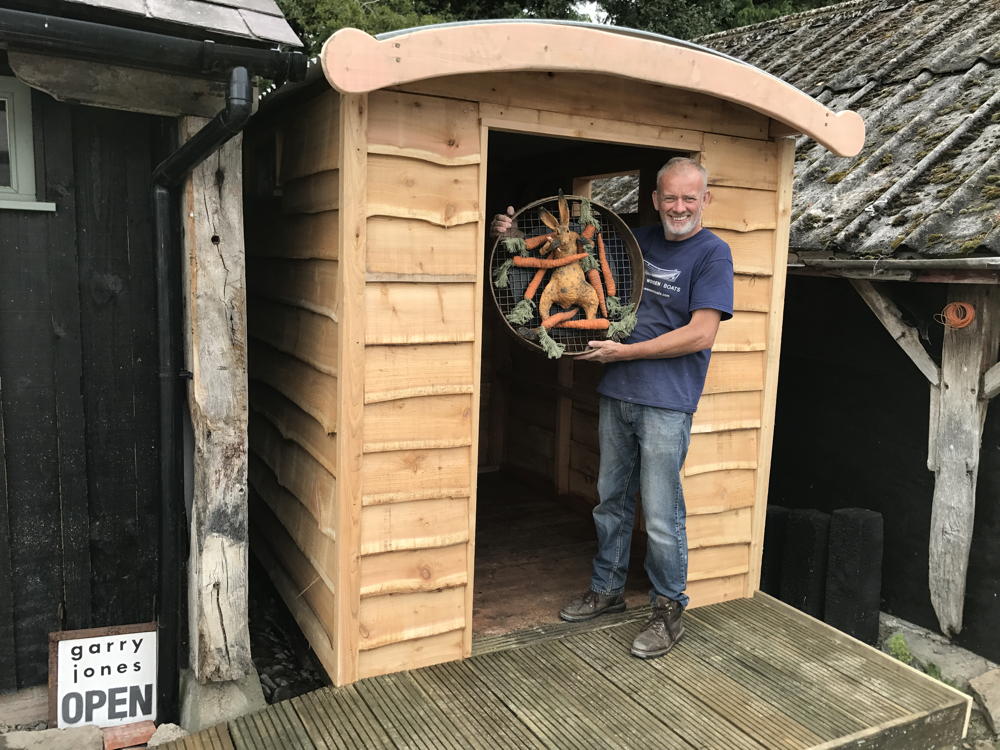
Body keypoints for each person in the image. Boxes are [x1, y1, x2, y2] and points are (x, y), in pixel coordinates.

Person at [491, 157, 733, 659]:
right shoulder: (635, 241)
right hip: (617, 392)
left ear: (705, 199)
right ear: (655, 200)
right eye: (670, 197)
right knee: (610, 500)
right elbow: (564, 253)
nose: (679, 207)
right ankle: (608, 591)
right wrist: (514, 237)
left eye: (690, 197)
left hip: (667, 401)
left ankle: (668, 609)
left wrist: (628, 352)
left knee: (662, 512)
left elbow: (701, 333)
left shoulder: (713, 254)